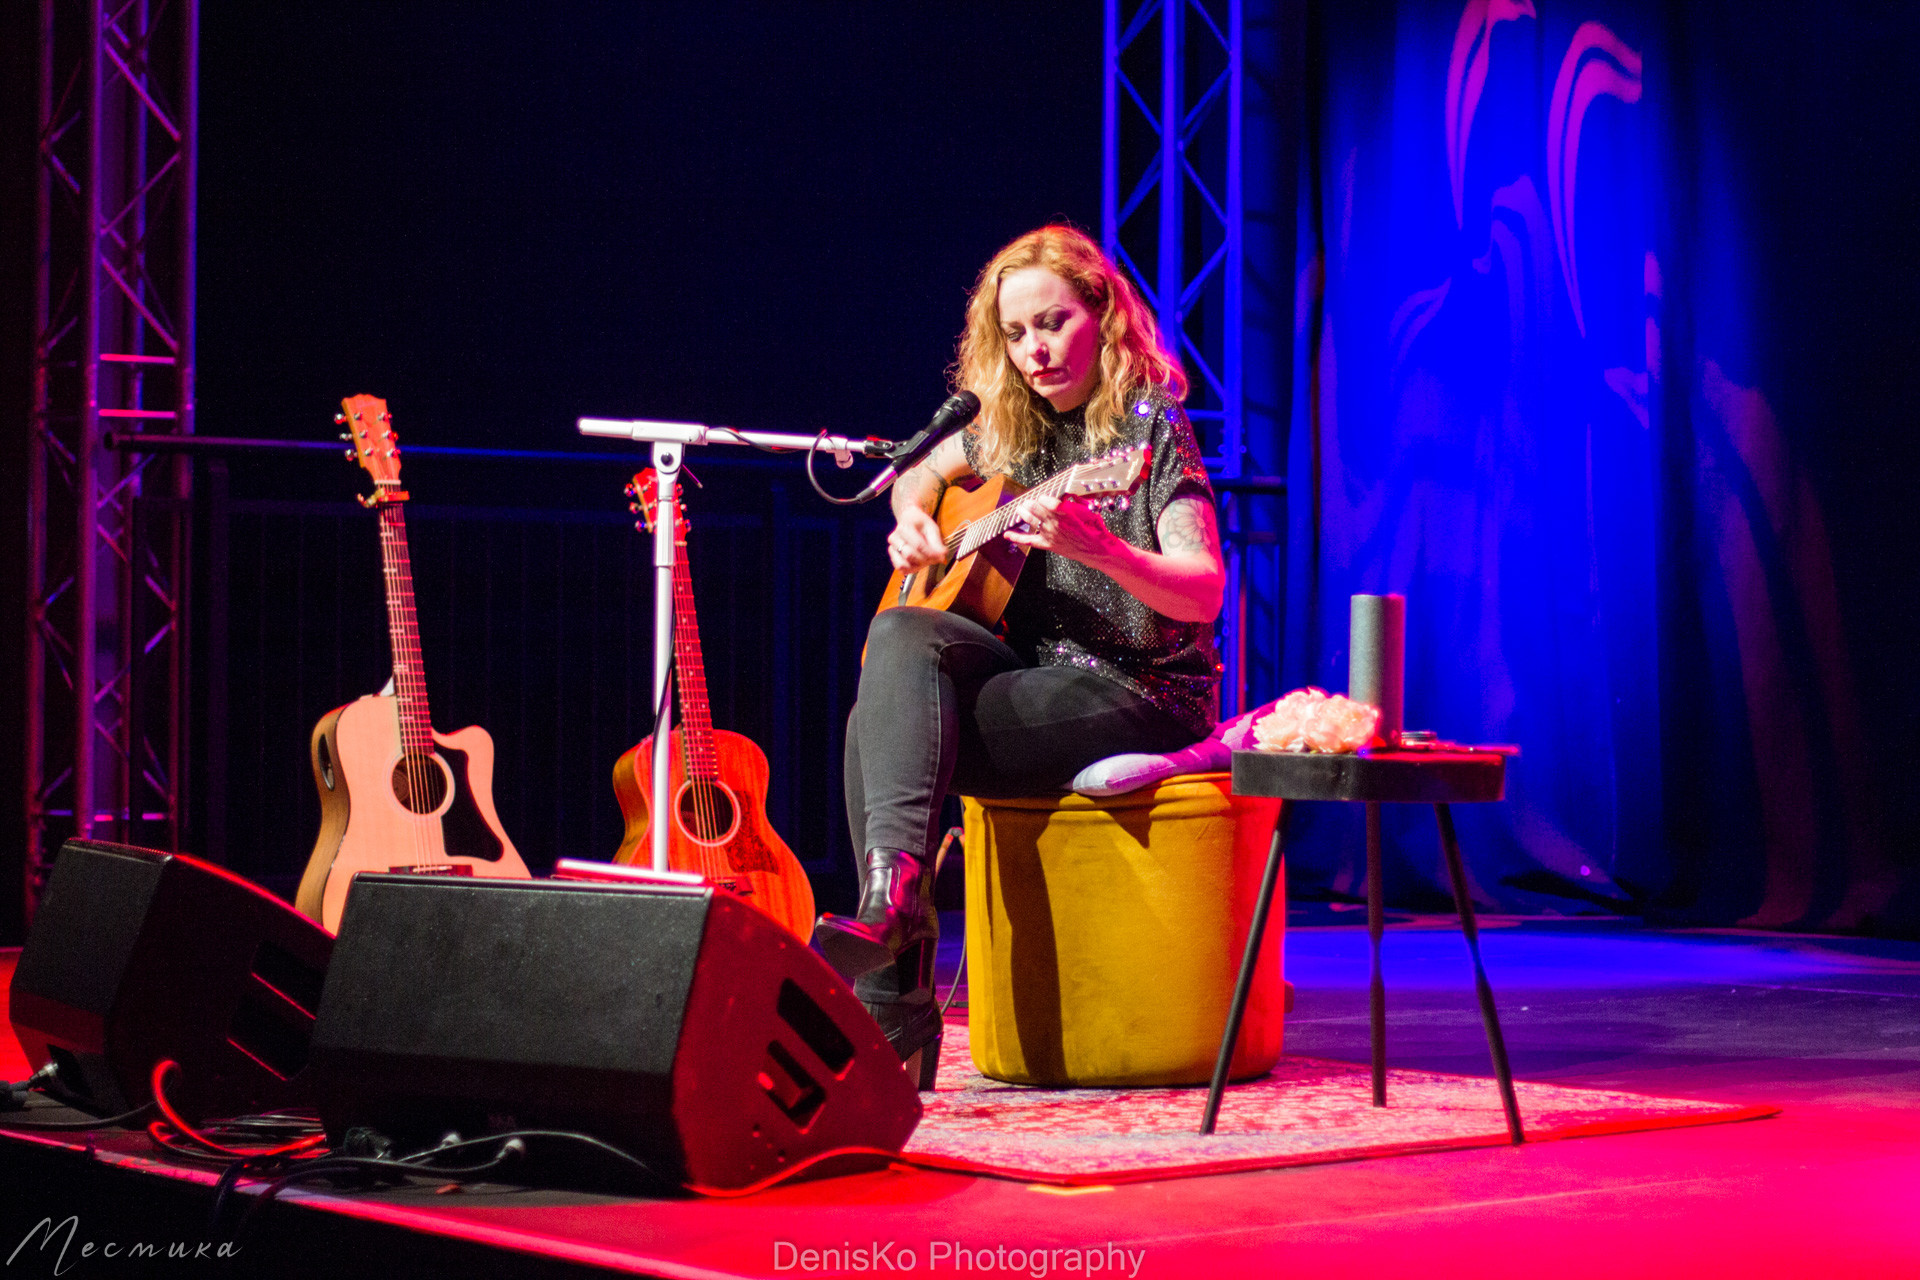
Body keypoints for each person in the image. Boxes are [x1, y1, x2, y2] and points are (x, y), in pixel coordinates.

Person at [813, 225, 1226, 1086]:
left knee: (872, 731)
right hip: (1041, 681)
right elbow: (924, 469)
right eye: (1017, 333)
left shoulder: (1150, 429)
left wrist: (1107, 550)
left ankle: (894, 1000)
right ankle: (890, 909)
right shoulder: (1013, 429)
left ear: (1103, 317)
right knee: (898, 637)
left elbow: (1204, 589)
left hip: (1137, 688)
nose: (1036, 350)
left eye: (1054, 323)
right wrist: (911, 517)